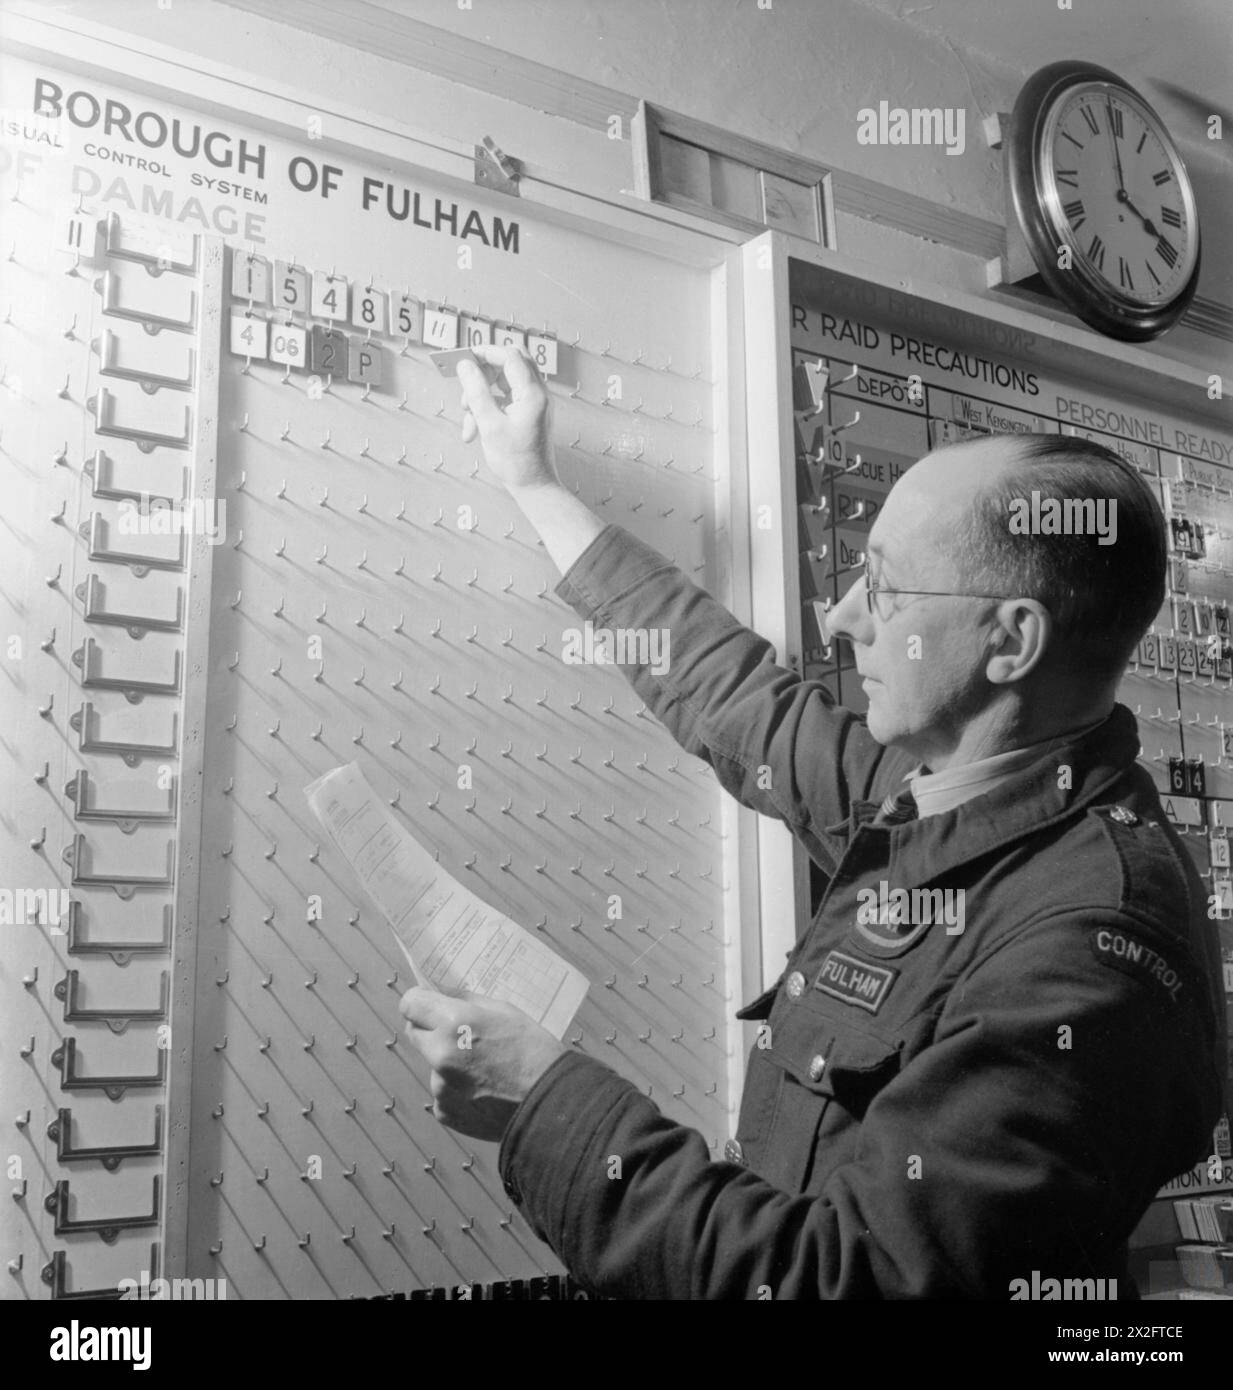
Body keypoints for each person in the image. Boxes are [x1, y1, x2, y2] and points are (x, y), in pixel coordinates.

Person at [400, 344, 1228, 1299]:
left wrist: (543, 1104)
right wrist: (534, 481)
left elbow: (838, 1283)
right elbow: (738, 699)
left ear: (1009, 640)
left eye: (882, 587)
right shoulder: (953, 798)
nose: (840, 619)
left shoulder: (1088, 952)